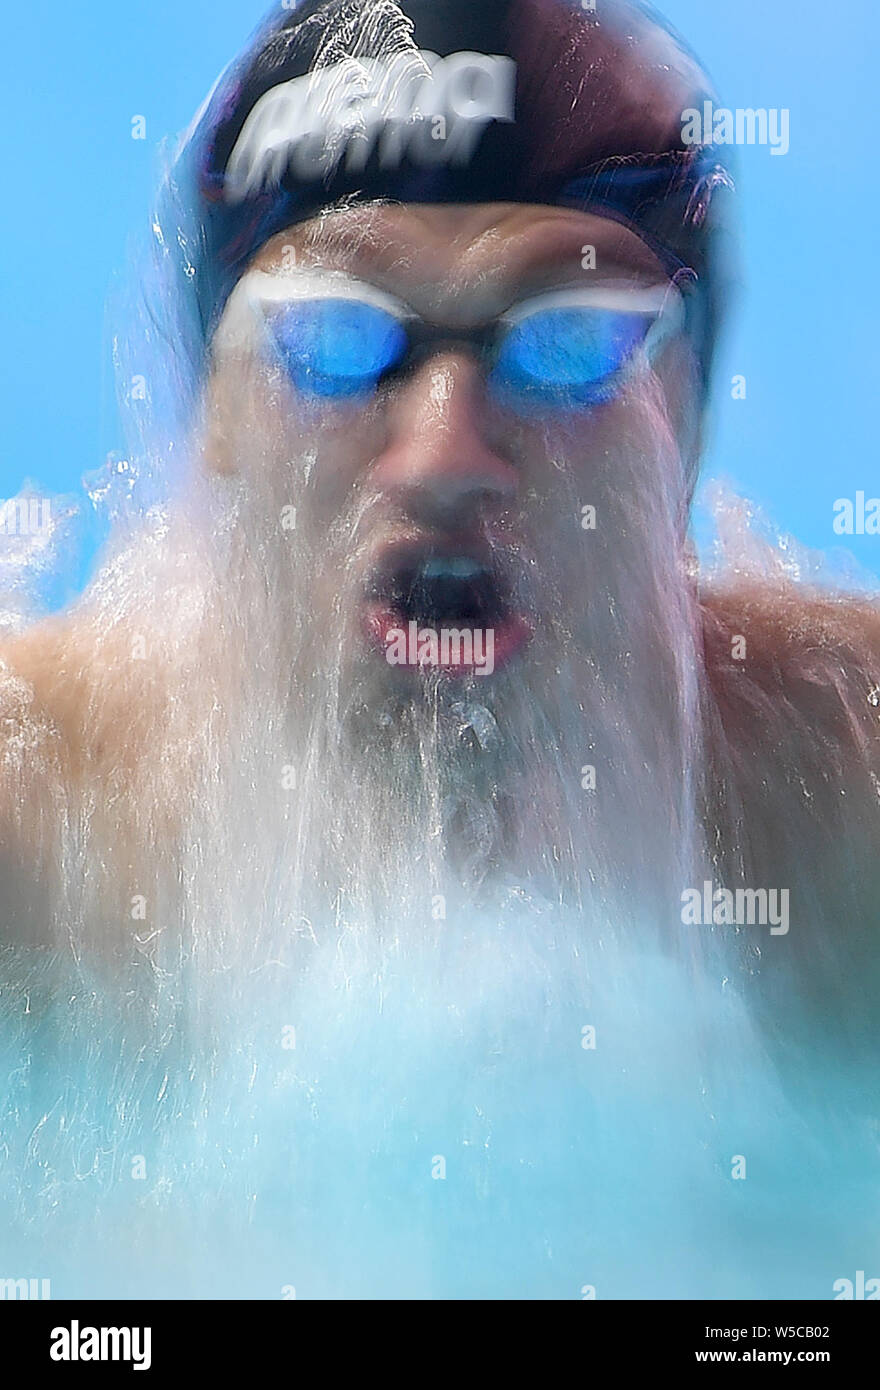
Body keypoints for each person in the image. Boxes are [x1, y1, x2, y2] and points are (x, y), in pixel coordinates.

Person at [0, 0, 877, 1298]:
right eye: (337, 342)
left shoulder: (846, 812)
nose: (449, 454)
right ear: (215, 434)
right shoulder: (38, 838)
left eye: (569, 346)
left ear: (677, 429)